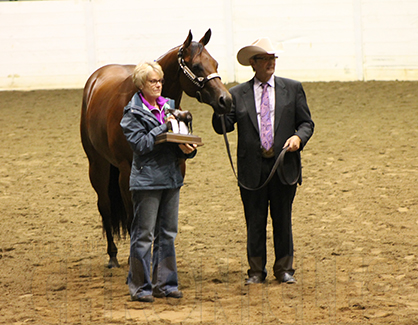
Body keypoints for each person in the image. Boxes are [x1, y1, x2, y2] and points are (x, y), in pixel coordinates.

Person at [212, 38, 314, 285]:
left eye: (273, 59)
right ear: (252, 63)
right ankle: (256, 270)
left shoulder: (293, 88)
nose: (270, 63)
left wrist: (298, 138)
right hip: (252, 169)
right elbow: (222, 126)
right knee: (254, 221)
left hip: (283, 165)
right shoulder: (236, 94)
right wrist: (218, 105)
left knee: (283, 219)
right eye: (265, 59)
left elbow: (306, 123)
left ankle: (284, 269)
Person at [120, 61, 197, 302]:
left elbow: (182, 142)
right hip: (146, 181)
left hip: (171, 178)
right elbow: (141, 145)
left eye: (160, 81)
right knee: (143, 235)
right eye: (153, 81)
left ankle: (165, 284)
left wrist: (188, 148)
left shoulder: (171, 108)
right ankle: (141, 287)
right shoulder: (131, 114)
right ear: (141, 85)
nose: (158, 85)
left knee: (167, 233)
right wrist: (162, 127)